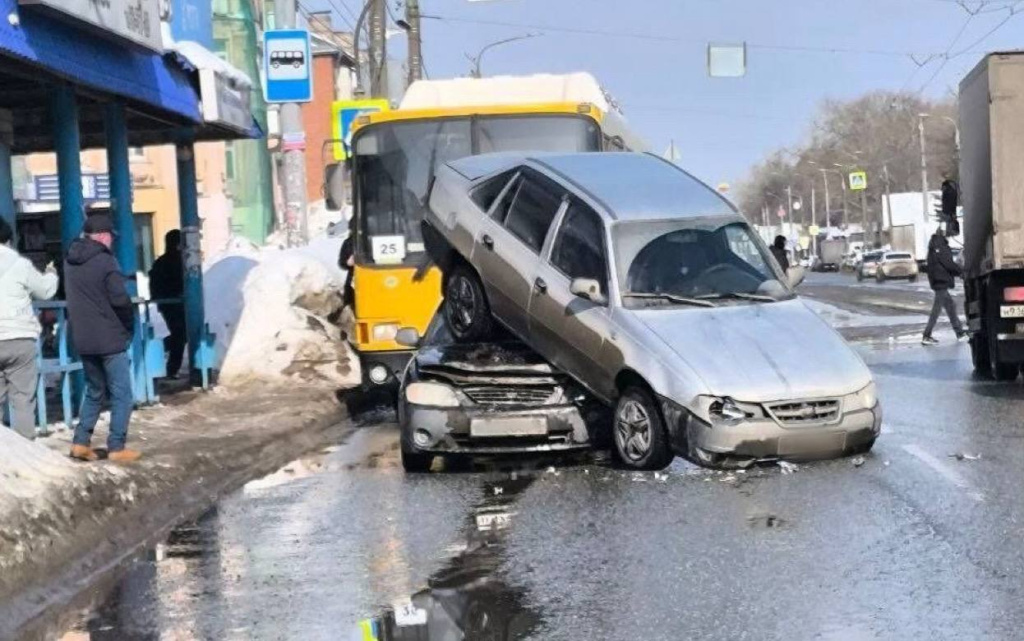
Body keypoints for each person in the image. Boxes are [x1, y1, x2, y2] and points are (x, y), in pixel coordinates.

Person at [64, 214, 140, 462]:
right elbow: (120, 299)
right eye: (110, 237)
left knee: (95, 390)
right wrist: (128, 325)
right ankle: (117, 446)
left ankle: (80, 442)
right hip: (109, 338)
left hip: (83, 338)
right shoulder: (106, 262)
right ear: (104, 236)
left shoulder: (70, 261)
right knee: (122, 394)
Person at [0, 217, 58, 440]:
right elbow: (44, 291)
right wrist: (51, 273)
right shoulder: (20, 264)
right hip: (19, 338)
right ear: (8, 240)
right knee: (23, 398)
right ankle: (26, 447)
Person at [149, 230, 185, 378]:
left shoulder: (161, 262)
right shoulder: (177, 261)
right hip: (174, 304)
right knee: (181, 336)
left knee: (181, 336)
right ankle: (169, 367)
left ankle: (158, 352)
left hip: (167, 305)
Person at [922, 226, 967, 346]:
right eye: (948, 233)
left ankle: (960, 333)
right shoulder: (940, 245)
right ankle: (926, 335)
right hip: (940, 281)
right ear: (943, 233)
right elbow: (948, 263)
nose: (950, 235)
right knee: (936, 310)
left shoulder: (936, 245)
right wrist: (961, 271)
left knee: (951, 306)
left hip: (939, 280)